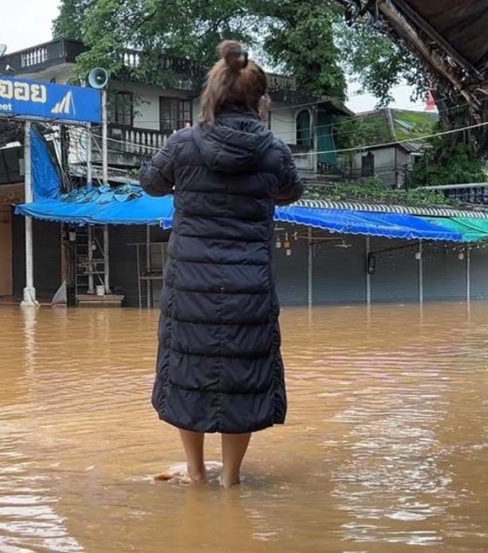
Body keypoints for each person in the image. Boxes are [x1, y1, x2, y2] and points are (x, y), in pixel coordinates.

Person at [140, 40, 303, 488]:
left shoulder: (182, 146)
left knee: (188, 375)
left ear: (210, 95)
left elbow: (151, 183)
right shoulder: (274, 152)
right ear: (260, 101)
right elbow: (291, 191)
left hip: (189, 286)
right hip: (249, 287)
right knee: (242, 378)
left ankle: (195, 474)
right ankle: (231, 479)